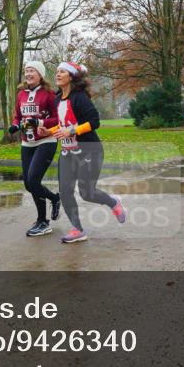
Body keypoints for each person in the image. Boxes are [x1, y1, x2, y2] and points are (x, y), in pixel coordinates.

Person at [46, 62, 125, 243]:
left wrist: (72, 131)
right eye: (57, 71)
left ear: (71, 77)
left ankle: (113, 203)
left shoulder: (79, 97)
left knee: (87, 193)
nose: (57, 74)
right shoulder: (58, 99)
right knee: (65, 191)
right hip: (67, 152)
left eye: (62, 71)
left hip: (89, 149)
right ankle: (78, 229)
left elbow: (94, 121)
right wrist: (49, 132)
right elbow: (63, 124)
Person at [8, 61, 61, 237]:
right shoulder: (21, 94)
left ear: (40, 75)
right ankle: (54, 198)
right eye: (26, 71)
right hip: (27, 143)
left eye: (32, 71)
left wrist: (39, 122)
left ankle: (42, 222)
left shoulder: (49, 95)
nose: (28, 74)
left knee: (33, 179)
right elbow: (18, 116)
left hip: (46, 141)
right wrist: (15, 125)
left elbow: (57, 119)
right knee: (29, 184)